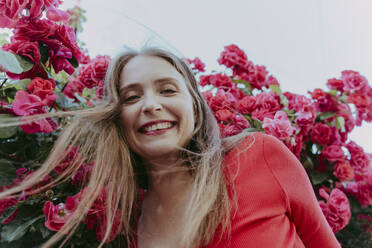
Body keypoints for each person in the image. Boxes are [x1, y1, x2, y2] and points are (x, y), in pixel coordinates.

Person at [0, 47, 341, 248]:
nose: (150, 105)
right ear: (118, 118)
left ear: (194, 104)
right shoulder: (131, 222)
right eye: (131, 97)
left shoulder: (258, 155)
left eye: (167, 90)